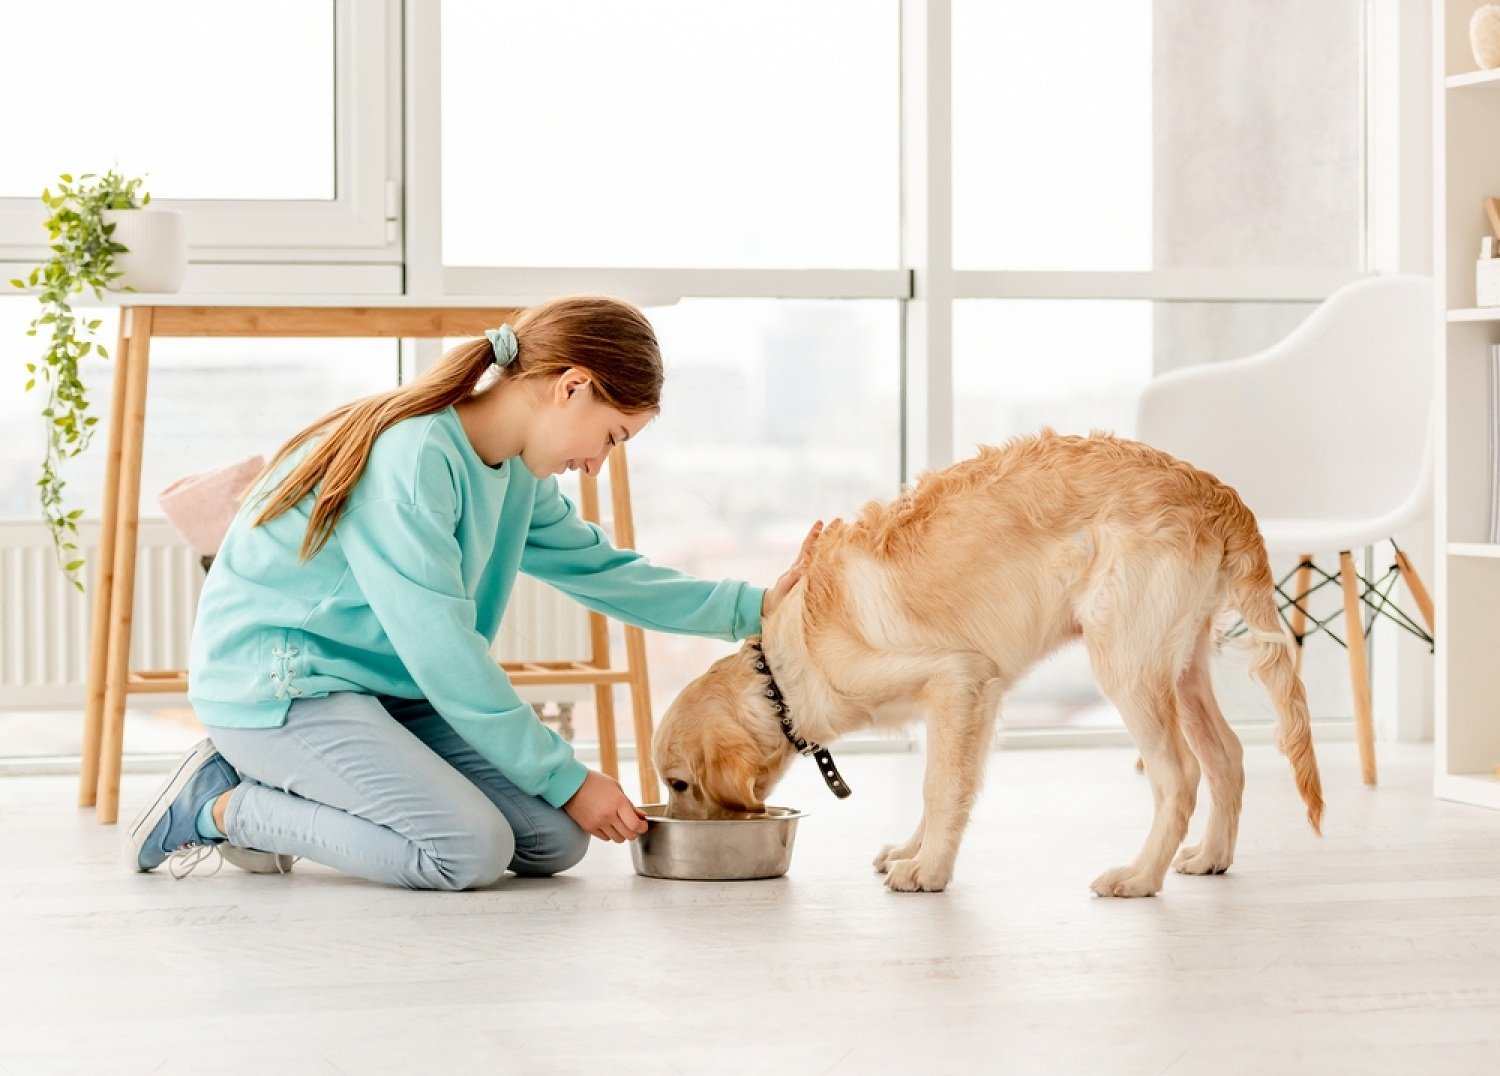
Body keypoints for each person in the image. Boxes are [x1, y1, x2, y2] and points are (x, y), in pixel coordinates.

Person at [126, 295, 819, 889]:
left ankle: (297, 793)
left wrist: (757, 607)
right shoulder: (414, 456)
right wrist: (570, 778)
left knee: (554, 840)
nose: (597, 465)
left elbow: (606, 573)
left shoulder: (517, 473)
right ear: (572, 385)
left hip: (386, 694)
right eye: (611, 436)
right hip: (282, 692)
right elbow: (445, 654)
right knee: (466, 851)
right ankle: (220, 805)